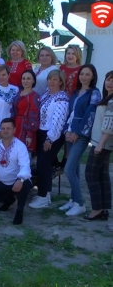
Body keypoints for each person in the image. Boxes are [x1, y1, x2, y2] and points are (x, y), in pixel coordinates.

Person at [59, 64, 101, 216]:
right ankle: (73, 199)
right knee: (74, 169)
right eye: (82, 74)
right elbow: (70, 113)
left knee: (68, 169)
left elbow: (90, 114)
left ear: (92, 76)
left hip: (81, 135)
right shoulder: (76, 92)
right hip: (70, 132)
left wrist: (77, 132)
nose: (84, 77)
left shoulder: (94, 93)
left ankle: (81, 203)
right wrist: (66, 131)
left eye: (87, 74)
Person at [29, 70, 69, 209]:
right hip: (42, 131)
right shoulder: (47, 94)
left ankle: (44, 196)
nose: (52, 81)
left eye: (55, 79)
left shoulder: (61, 98)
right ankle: (44, 193)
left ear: (60, 82)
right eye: (50, 79)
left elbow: (59, 120)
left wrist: (50, 139)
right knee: (42, 163)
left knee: (44, 163)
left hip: (52, 135)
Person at [0, 118, 33, 225]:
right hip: (2, 181)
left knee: (26, 183)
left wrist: (20, 179)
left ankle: (19, 211)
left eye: (8, 128)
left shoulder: (20, 146)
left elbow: (25, 166)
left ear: (14, 130)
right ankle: (9, 200)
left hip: (16, 181)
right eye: (3, 128)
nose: (5, 131)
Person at [84, 70, 113, 221]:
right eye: (108, 79)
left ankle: (96, 209)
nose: (109, 82)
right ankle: (103, 209)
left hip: (102, 143)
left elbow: (109, 125)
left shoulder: (112, 101)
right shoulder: (107, 98)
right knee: (102, 176)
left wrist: (100, 144)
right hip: (100, 142)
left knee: (90, 175)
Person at [12, 69, 40, 152]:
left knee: (23, 152)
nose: (25, 81)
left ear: (33, 81)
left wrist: (29, 134)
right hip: (16, 124)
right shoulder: (18, 93)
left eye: (28, 78)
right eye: (23, 78)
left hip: (26, 126)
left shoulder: (34, 96)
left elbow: (33, 117)